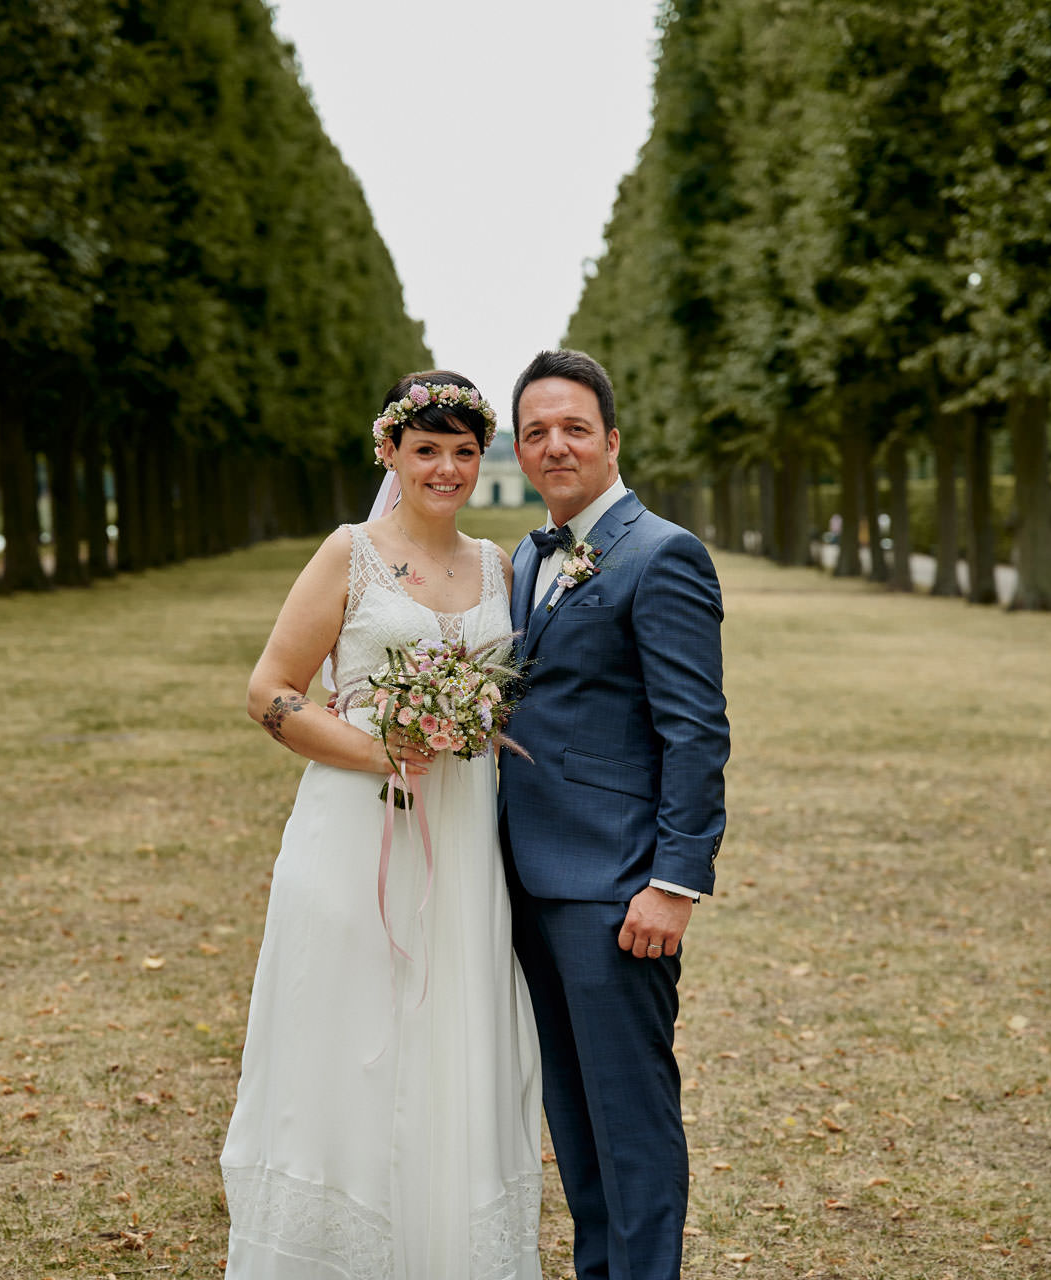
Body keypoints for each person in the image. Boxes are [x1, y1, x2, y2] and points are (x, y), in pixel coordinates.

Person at [221, 371, 543, 1279]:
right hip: (359, 823)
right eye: (427, 448)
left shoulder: (499, 566)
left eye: (463, 451)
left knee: (454, 1027)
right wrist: (380, 750)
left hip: (466, 832)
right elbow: (270, 692)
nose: (445, 468)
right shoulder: (349, 552)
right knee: (350, 1032)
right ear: (390, 452)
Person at [498, 350, 730, 1280]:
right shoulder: (526, 554)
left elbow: (697, 731)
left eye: (574, 428)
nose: (555, 446)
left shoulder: (663, 553)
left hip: (617, 890)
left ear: (611, 441)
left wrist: (673, 883)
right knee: (575, 1115)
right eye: (536, 432)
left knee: (630, 1121)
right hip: (525, 881)